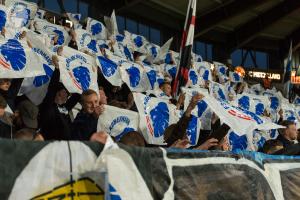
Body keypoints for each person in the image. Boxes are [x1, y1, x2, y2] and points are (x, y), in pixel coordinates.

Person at [39, 56, 81, 140]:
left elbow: (78, 94)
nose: (68, 94)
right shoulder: (48, 105)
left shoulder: (65, 107)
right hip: (49, 142)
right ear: (58, 93)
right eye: (66, 91)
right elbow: (52, 87)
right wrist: (57, 69)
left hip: (64, 145)